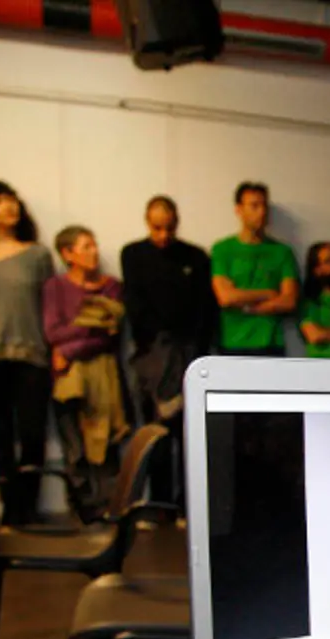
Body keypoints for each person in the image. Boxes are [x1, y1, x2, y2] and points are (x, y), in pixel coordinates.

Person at [121, 195, 216, 518]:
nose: (163, 234)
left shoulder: (195, 257)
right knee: (157, 433)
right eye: (157, 227)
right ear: (147, 223)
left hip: (189, 355)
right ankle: (160, 505)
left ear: (177, 223)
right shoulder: (134, 254)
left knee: (190, 434)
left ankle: (189, 505)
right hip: (154, 357)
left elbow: (205, 309)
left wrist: (198, 355)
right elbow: (135, 305)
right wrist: (157, 348)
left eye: (169, 227)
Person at [0, 181, 54, 526]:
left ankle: (29, 508)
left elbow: (50, 307)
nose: (9, 206)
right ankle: (9, 509)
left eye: (12, 200)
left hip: (31, 354)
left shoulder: (37, 254)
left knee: (33, 432)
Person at [43, 225, 129, 503]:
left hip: (104, 374)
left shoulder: (111, 286)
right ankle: (82, 510)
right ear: (68, 254)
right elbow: (53, 332)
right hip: (68, 378)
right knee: (74, 447)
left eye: (95, 245)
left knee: (106, 442)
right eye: (86, 247)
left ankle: (111, 508)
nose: (94, 252)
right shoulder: (55, 286)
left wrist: (67, 350)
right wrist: (90, 324)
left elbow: (109, 334)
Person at [210, 182, 298, 356]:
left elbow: (289, 300)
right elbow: (226, 297)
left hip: (270, 343)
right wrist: (269, 294)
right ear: (239, 210)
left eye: (264, 205)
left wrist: (246, 306)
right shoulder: (223, 250)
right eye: (254, 206)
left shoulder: (282, 252)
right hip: (232, 343)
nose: (262, 212)